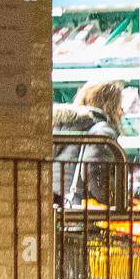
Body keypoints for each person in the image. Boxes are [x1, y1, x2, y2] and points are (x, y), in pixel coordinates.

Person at [53, 80, 129, 208]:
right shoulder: (102, 130)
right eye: (119, 106)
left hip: (59, 209)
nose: (122, 112)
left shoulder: (61, 127)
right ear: (110, 105)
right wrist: (120, 200)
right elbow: (96, 175)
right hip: (84, 212)